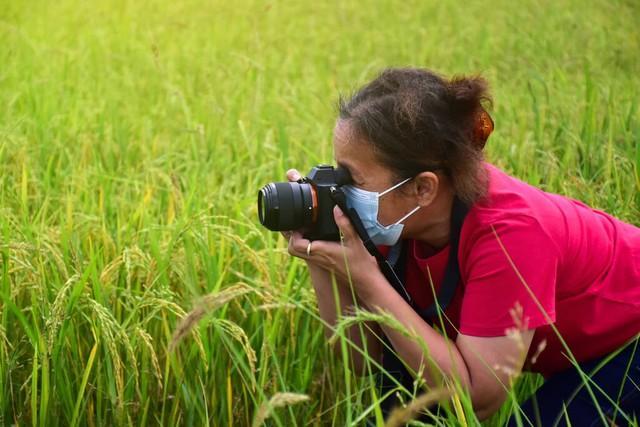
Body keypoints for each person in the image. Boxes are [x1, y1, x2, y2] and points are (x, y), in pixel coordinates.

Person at [284, 67, 640, 425]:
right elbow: (362, 361)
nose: (339, 190)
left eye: (352, 179)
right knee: (407, 400)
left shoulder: (510, 234)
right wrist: (320, 245)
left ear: (423, 188)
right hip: (574, 351)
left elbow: (476, 400)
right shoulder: (401, 224)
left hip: (630, 342)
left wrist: (367, 280)